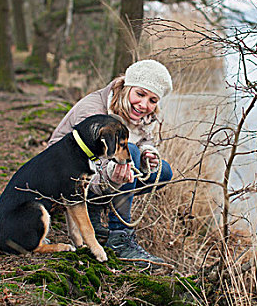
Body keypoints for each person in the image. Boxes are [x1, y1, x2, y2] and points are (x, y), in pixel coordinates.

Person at [47, 59, 173, 266]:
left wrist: (146, 155)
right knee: (128, 153)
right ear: (126, 87)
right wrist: (113, 174)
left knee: (163, 171)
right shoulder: (94, 110)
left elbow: (143, 141)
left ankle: (95, 210)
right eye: (140, 94)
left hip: (102, 173)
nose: (144, 105)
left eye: (153, 100)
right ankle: (119, 239)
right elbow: (84, 164)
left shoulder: (143, 114)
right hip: (66, 176)